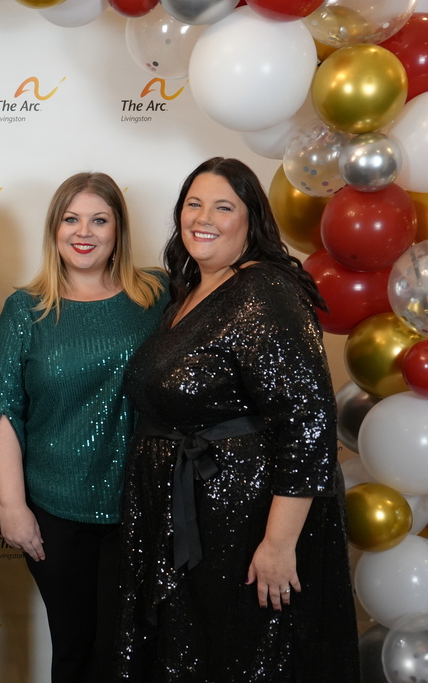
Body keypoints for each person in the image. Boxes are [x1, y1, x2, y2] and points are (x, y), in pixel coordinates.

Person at [115, 157, 359, 682]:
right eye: (194, 204)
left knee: (243, 657)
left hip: (241, 519)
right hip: (196, 515)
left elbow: (309, 422)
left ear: (251, 221)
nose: (203, 217)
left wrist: (277, 545)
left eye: (223, 206)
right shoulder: (192, 290)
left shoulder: (263, 289)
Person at [0, 172, 167, 682]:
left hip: (139, 506)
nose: (84, 232)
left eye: (99, 220)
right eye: (71, 219)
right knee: (75, 647)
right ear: (55, 229)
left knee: (124, 650)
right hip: (54, 512)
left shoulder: (156, 297)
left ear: (118, 231)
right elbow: (1, 412)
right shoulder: (27, 310)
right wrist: (11, 507)